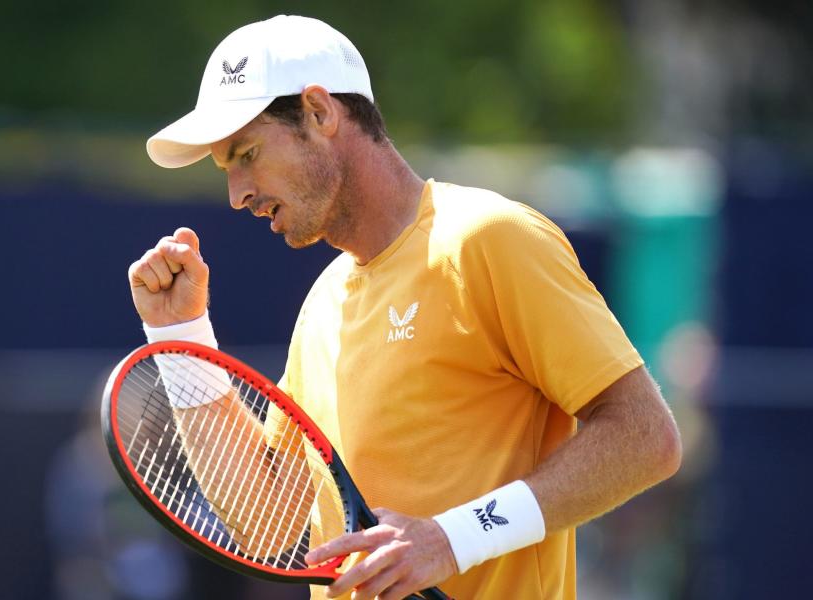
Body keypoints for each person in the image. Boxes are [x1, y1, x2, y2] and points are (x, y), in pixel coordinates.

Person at [127, 15, 682, 600]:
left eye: (246, 154)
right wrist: (181, 337)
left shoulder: (488, 238)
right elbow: (272, 523)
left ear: (319, 112)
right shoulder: (321, 306)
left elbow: (645, 438)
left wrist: (452, 539)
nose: (237, 194)